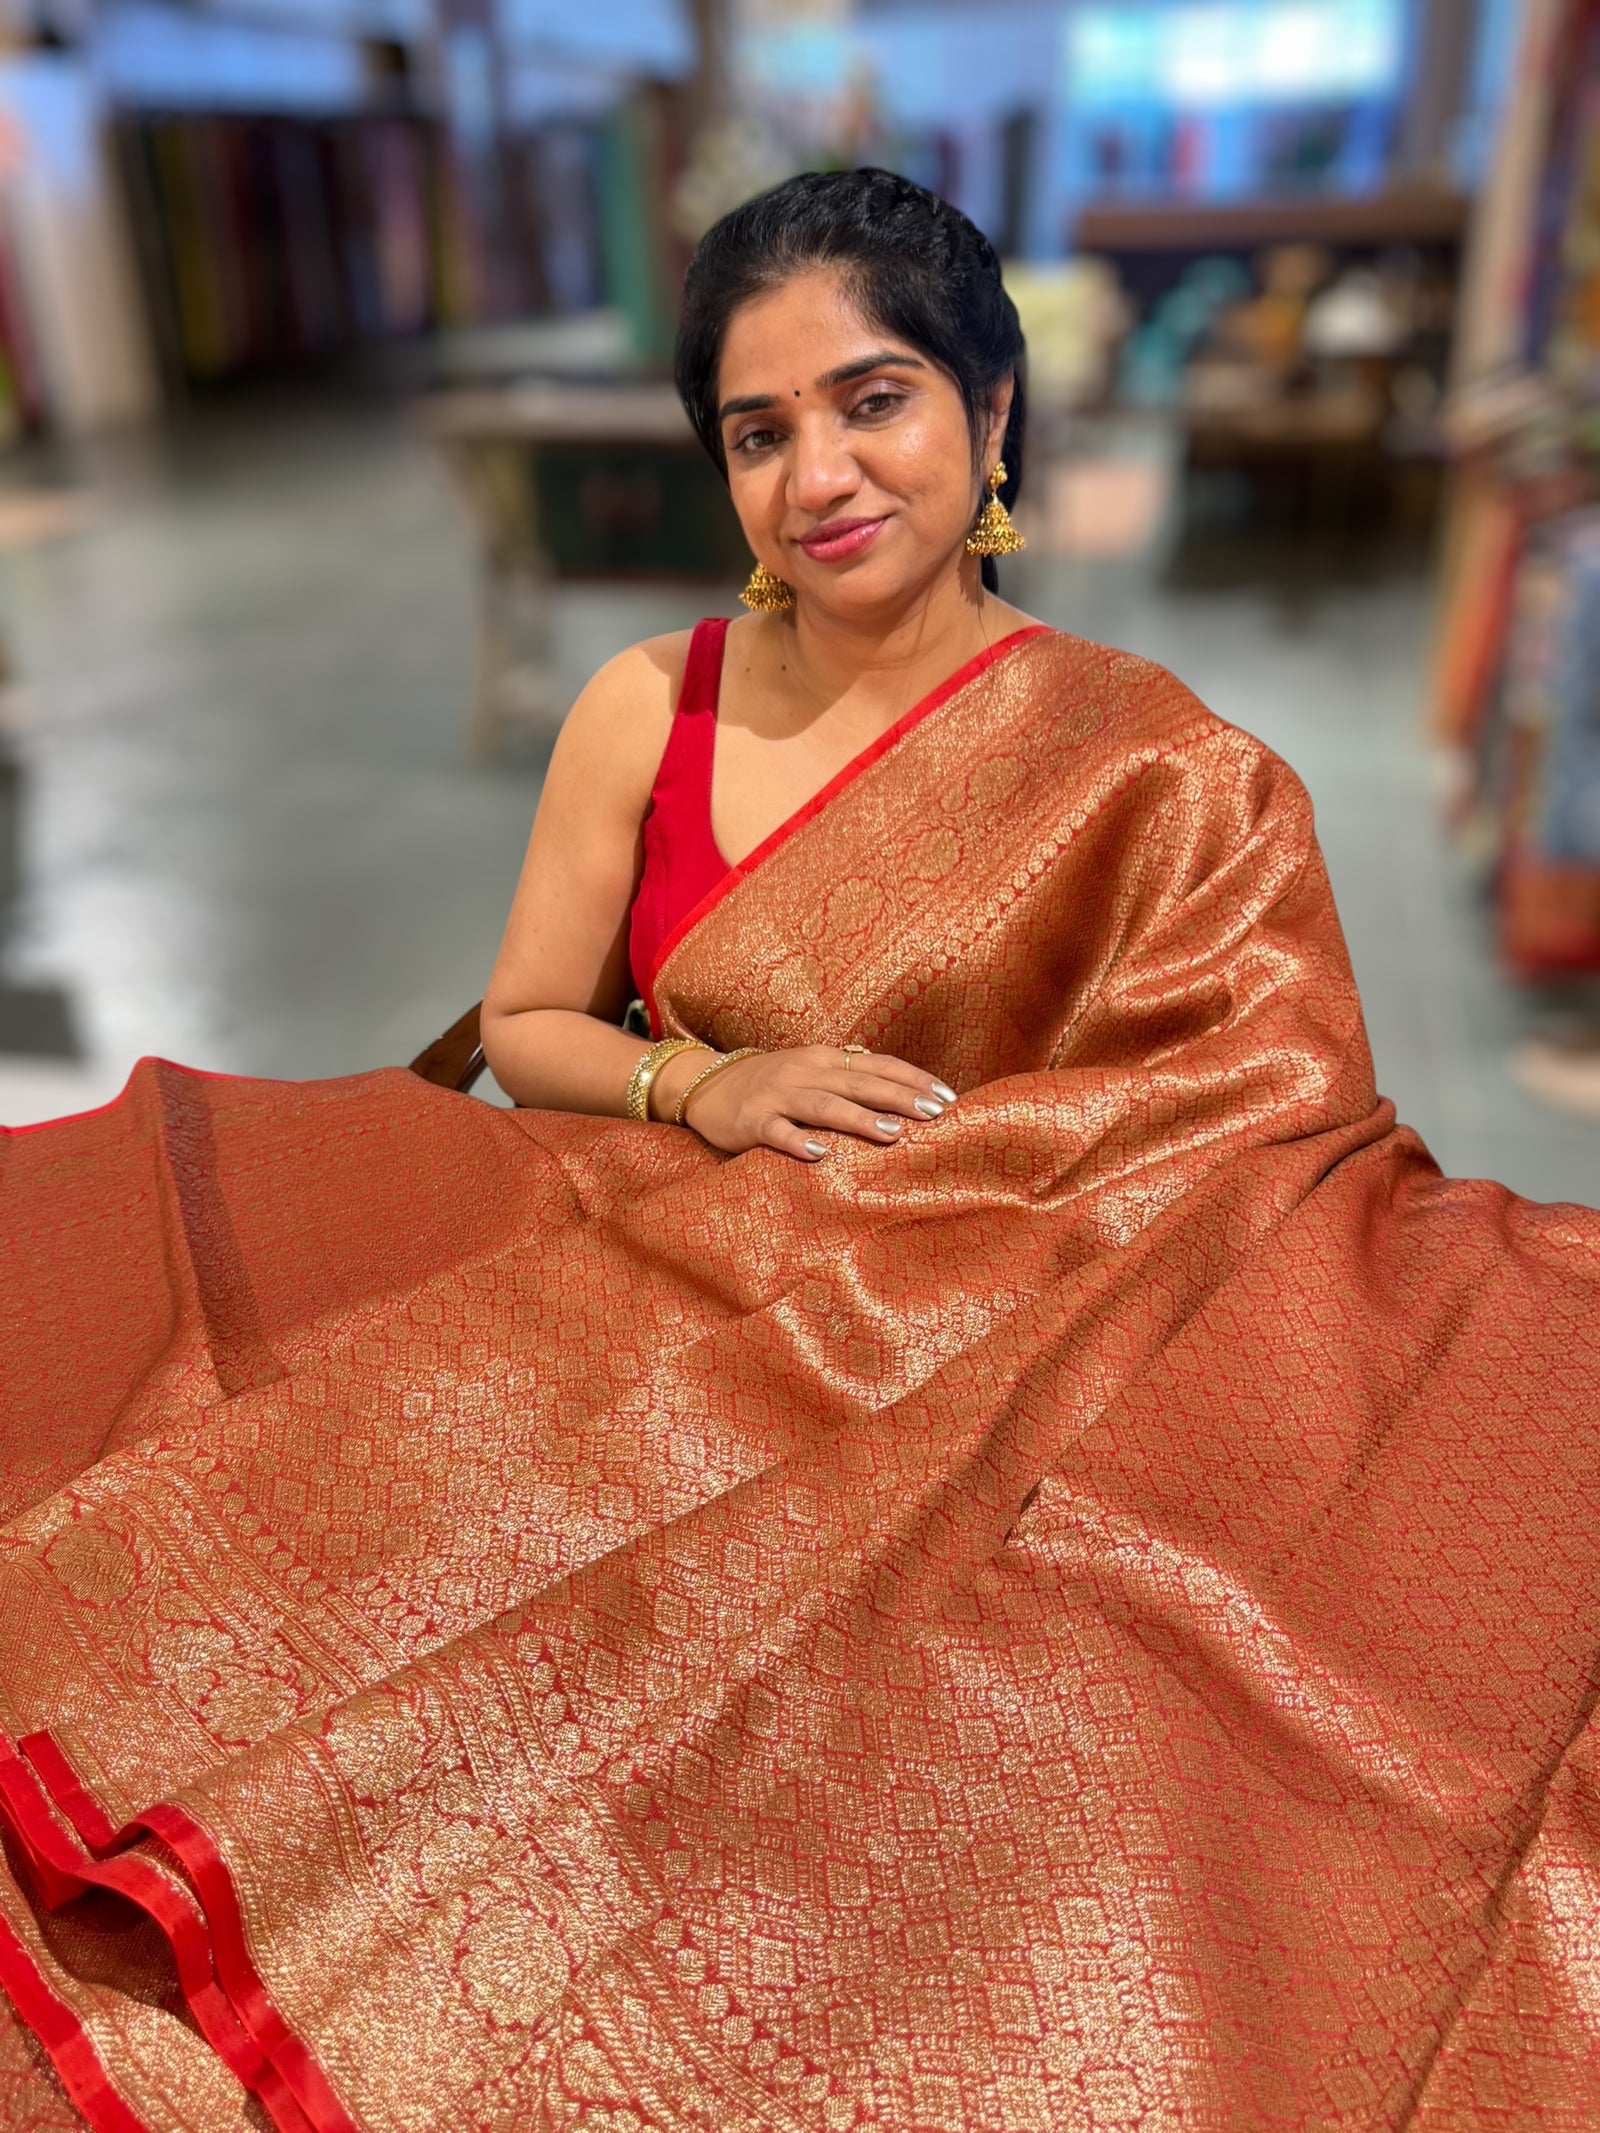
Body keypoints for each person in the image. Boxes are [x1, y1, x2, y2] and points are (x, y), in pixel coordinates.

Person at [0, 168, 1597, 2133]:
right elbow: (524, 1030)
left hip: (975, 1355)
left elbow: (1262, 1134)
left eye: (873, 399)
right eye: (756, 432)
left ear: (991, 411)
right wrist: (700, 1089)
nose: (816, 474)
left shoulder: (1162, 773)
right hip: (644, 1287)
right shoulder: (645, 703)